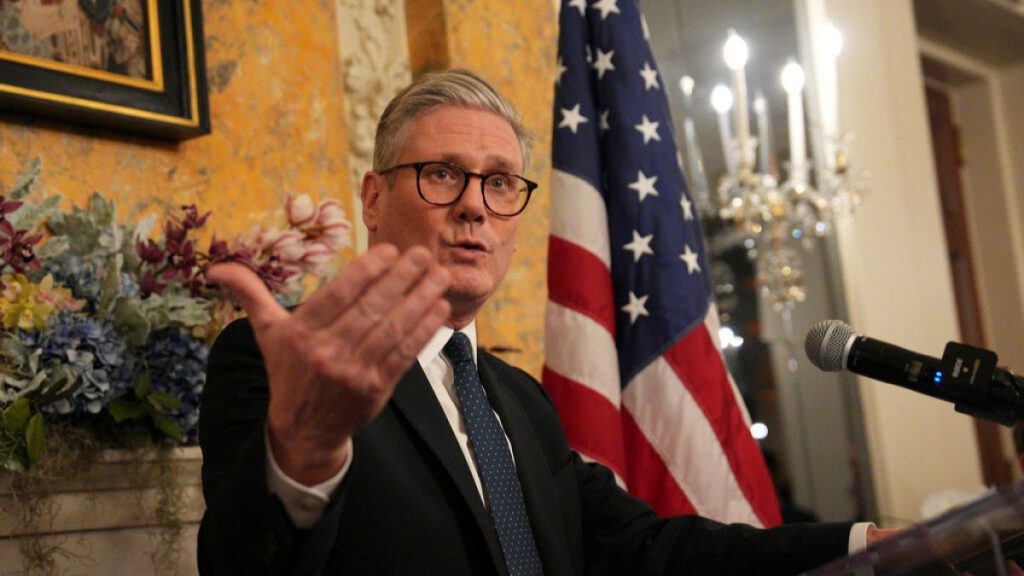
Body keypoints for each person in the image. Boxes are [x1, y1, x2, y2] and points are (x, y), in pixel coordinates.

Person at [198, 68, 885, 575]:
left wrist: (863, 548)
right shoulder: (289, 360)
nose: (474, 207)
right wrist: (306, 453)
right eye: (442, 174)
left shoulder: (522, 399)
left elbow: (646, 550)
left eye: (500, 183)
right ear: (374, 198)